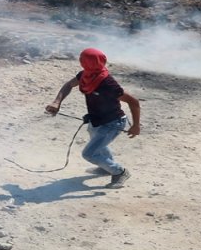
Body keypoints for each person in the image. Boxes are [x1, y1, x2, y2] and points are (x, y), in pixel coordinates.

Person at [45, 48, 141, 188]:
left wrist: (136, 125)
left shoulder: (108, 84)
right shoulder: (85, 76)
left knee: (89, 153)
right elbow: (69, 85)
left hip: (112, 123)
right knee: (98, 145)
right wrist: (57, 102)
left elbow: (133, 101)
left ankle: (120, 172)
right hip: (96, 119)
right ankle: (105, 167)